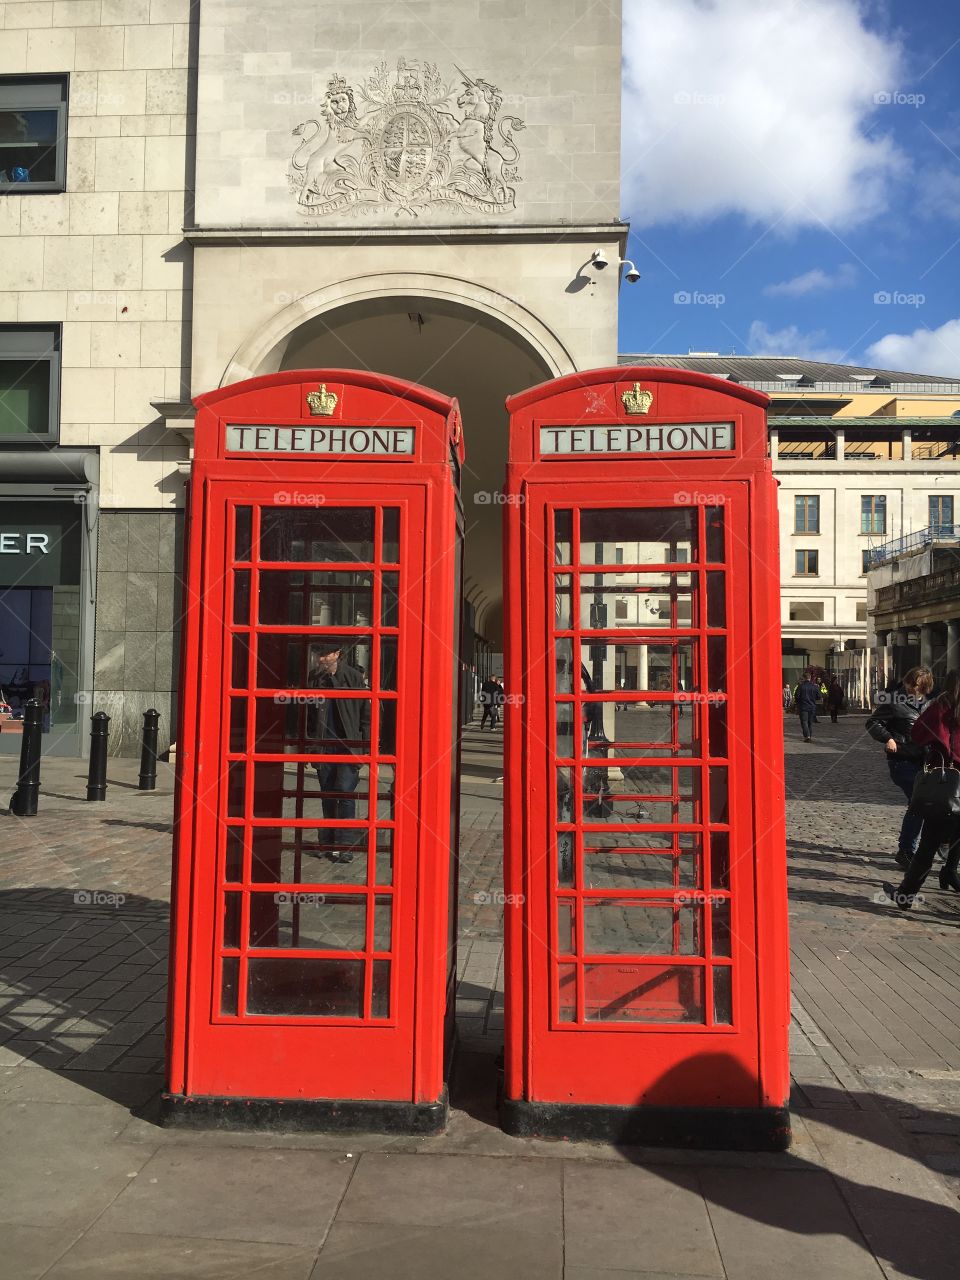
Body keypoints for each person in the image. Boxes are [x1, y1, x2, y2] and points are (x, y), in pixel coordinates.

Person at [882, 669, 960, 908]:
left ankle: (905, 895)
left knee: (929, 843)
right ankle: (949, 872)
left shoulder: (941, 705)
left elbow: (917, 734)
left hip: (947, 783)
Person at [307, 639, 370, 863]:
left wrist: (365, 747)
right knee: (327, 795)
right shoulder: (315, 679)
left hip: (347, 746)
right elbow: (309, 715)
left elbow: (366, 714)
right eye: (318, 654)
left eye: (324, 654)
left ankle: (344, 846)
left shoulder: (353, 677)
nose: (320, 658)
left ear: (337, 654)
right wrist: (309, 746)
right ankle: (327, 843)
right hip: (324, 746)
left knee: (345, 794)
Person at [866, 666, 934, 870]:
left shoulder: (930, 703)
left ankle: (918, 847)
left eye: (918, 686)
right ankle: (906, 850)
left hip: (925, 761)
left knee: (923, 804)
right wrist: (888, 738)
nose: (913, 688)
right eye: (910, 684)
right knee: (918, 802)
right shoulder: (894, 701)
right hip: (902, 760)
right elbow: (873, 723)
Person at [794, 671, 821, 741]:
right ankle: (809, 735)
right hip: (812, 706)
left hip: (803, 706)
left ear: (804, 678)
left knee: (804, 721)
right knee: (810, 722)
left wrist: (798, 702)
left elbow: (796, 696)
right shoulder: (814, 687)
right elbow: (819, 697)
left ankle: (807, 736)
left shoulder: (801, 686)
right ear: (810, 678)